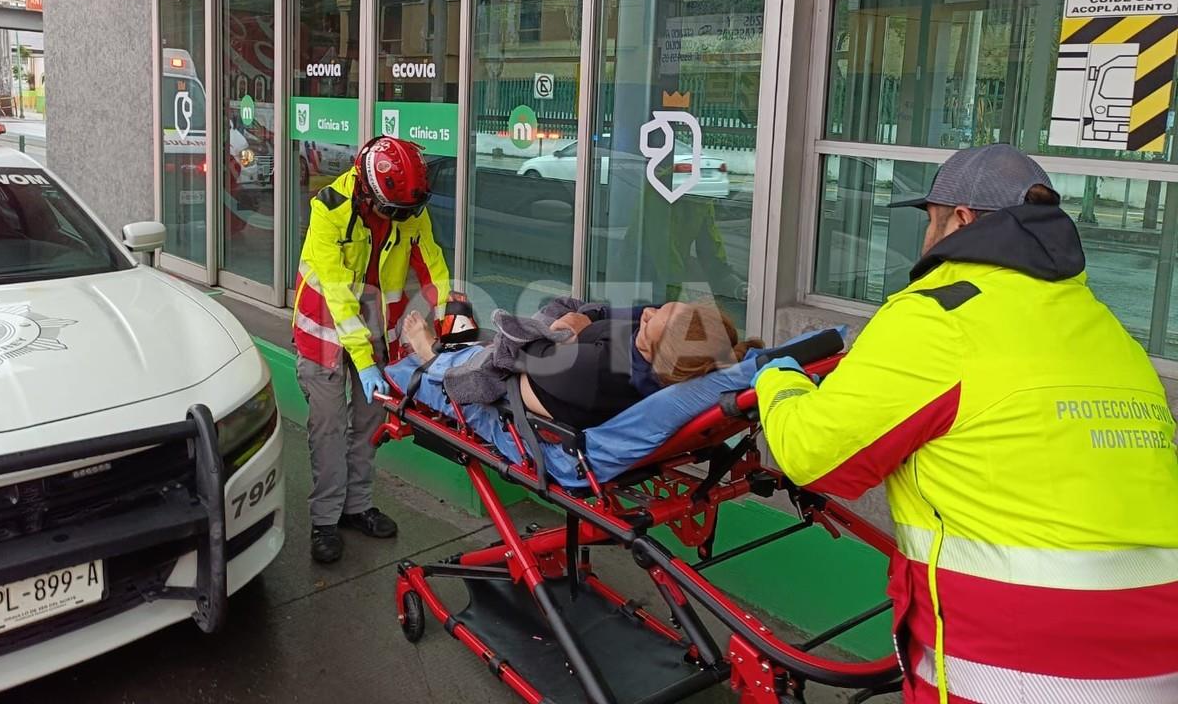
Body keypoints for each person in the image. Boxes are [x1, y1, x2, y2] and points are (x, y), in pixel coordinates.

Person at [753, 144, 1178, 703]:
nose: (926, 238)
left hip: (1024, 663)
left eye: (930, 220)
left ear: (962, 218)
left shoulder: (938, 315)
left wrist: (778, 380)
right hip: (1158, 653)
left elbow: (816, 457)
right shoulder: (1102, 326)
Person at [293, 135, 450, 564]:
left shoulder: (406, 208)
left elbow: (431, 264)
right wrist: (364, 362)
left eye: (408, 212)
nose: (402, 218)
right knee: (327, 427)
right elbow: (340, 301)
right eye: (393, 211)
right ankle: (324, 520)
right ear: (366, 189)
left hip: (373, 331)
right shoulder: (328, 210)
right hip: (324, 331)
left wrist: (453, 314)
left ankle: (356, 507)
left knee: (367, 424)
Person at [404, 301, 761, 430]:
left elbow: (521, 352)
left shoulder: (597, 374)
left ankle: (429, 356)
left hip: (522, 381)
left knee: (485, 358)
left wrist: (571, 321)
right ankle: (456, 347)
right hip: (563, 358)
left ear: (656, 354)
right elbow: (605, 310)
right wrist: (581, 318)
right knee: (564, 315)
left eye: (653, 321)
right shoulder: (681, 356)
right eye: (665, 306)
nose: (649, 312)